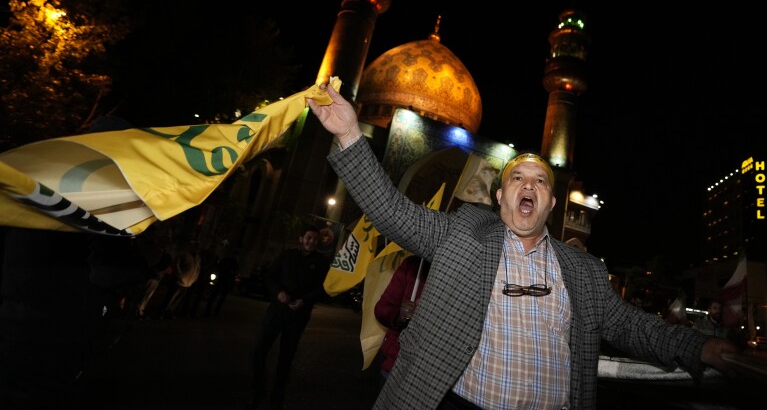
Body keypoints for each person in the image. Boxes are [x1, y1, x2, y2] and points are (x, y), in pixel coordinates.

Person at [307, 82, 742, 410]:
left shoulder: (583, 271)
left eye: (540, 180)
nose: (528, 185)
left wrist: (695, 347)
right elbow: (390, 212)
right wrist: (348, 134)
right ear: (500, 197)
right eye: (517, 177)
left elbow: (630, 325)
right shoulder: (463, 235)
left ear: (551, 203)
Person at [0, 226, 149, 410]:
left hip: (14, 320)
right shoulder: (95, 214)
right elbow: (109, 272)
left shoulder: (24, 205)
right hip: (62, 334)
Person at [247, 225, 330, 410]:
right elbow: (270, 277)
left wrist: (304, 301)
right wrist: (278, 292)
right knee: (258, 350)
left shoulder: (322, 262)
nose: (312, 241)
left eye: (315, 239)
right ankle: (256, 392)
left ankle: (277, 398)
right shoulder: (287, 255)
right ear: (301, 238)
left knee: (286, 359)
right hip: (276, 312)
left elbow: (323, 289)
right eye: (309, 237)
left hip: (298, 316)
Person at [374, 255, 430, 385]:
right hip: (397, 362)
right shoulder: (414, 265)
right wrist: (400, 315)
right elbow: (382, 309)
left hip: (435, 372)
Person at [204, 248, 239, 317]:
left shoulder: (229, 261)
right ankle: (212, 311)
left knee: (217, 297)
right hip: (223, 281)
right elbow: (232, 273)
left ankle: (212, 311)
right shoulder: (231, 262)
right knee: (217, 297)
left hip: (223, 281)